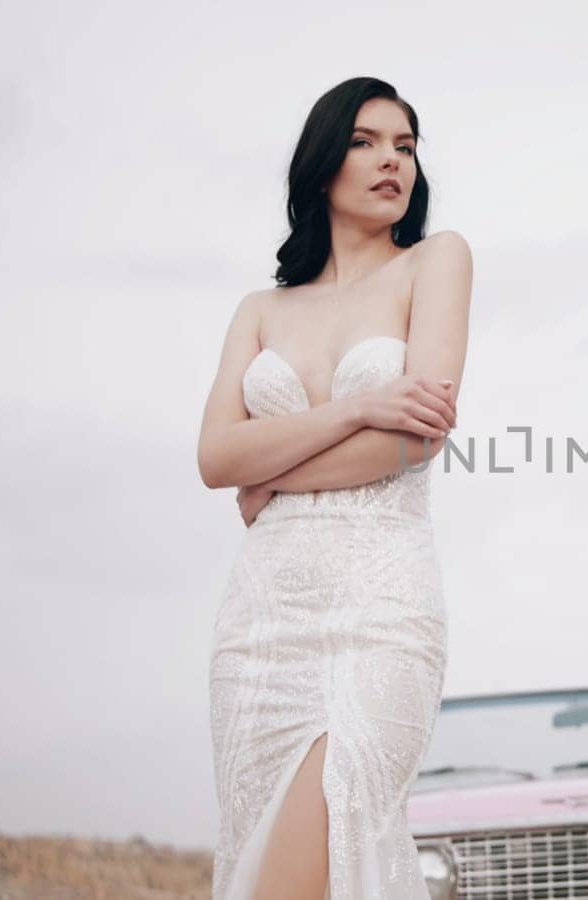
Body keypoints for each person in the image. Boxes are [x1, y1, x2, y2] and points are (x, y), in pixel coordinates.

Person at [196, 76, 472, 900]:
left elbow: (413, 441)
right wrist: (357, 406)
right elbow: (215, 458)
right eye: (366, 141)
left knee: (329, 833)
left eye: (406, 145)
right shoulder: (260, 309)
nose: (392, 160)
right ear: (321, 164)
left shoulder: (438, 261)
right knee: (260, 854)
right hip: (260, 630)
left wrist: (268, 475)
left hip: (382, 611)